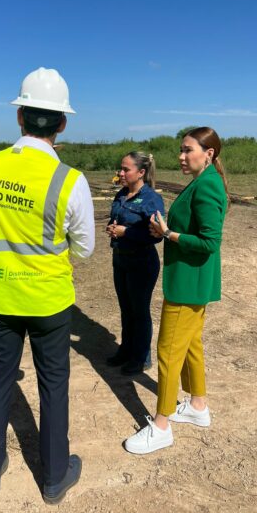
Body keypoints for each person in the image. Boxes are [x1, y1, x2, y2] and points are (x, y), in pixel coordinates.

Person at [0, 67, 95, 503]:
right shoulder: (69, 181)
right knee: (53, 386)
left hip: (0, 296)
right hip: (49, 301)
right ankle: (55, 477)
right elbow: (85, 249)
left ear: (19, 116)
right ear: (62, 123)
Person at [124, 127, 228, 454]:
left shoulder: (208, 186)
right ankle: (198, 405)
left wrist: (169, 233)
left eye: (187, 150)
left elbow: (210, 242)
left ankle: (161, 425)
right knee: (191, 345)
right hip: (192, 282)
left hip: (187, 284)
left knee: (168, 353)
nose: (181, 157)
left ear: (208, 153)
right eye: (180, 151)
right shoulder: (203, 181)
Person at [106, 152, 164, 375]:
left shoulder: (150, 199)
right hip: (120, 258)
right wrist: (113, 229)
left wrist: (127, 232)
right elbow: (117, 220)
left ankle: (141, 358)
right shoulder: (121, 194)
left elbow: (157, 235)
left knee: (139, 310)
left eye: (125, 169)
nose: (120, 173)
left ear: (141, 173)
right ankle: (126, 350)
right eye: (120, 169)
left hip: (141, 262)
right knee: (126, 308)